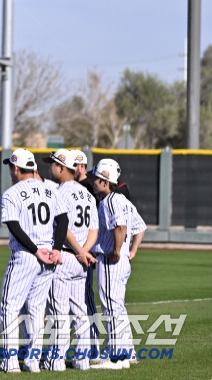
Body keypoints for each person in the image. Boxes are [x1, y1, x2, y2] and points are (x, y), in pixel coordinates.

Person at [0, 148, 68, 374]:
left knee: (9, 307)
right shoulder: (51, 191)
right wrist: (56, 249)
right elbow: (63, 221)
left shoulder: (11, 193)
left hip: (26, 255)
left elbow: (13, 225)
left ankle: (10, 363)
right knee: (35, 309)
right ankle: (32, 363)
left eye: (10, 167)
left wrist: (35, 250)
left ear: (15, 168)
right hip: (49, 258)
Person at [41, 149, 98, 371]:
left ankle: (55, 361)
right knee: (80, 311)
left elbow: (63, 229)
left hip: (65, 256)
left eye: (53, 165)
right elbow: (94, 228)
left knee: (58, 311)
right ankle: (82, 360)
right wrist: (84, 251)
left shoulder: (59, 192)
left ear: (62, 168)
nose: (50, 168)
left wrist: (78, 251)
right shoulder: (87, 194)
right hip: (80, 260)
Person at [89, 159, 134, 370]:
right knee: (117, 307)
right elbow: (138, 226)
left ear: (106, 180)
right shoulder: (121, 199)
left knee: (110, 306)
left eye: (96, 178)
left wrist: (116, 250)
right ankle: (127, 352)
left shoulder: (110, 201)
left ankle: (116, 357)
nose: (93, 181)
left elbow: (120, 226)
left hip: (111, 259)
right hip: (122, 259)